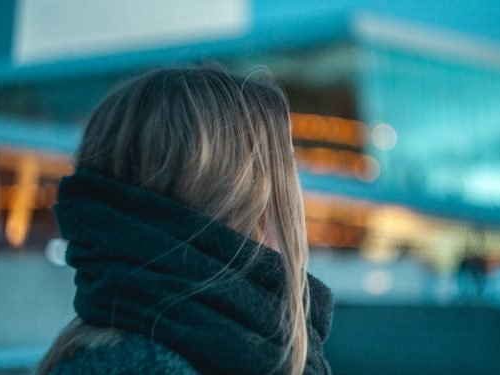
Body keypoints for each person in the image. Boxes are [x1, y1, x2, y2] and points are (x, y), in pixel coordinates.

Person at [37, 67, 334, 375]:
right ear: (243, 202)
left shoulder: (117, 352)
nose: (297, 197)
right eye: (288, 169)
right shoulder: (150, 366)